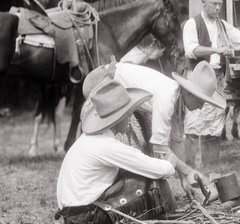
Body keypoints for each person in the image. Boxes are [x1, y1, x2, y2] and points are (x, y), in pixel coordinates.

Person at [56, 80, 210, 224]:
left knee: (134, 174)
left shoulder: (89, 140)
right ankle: (168, 212)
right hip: (87, 217)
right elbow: (164, 169)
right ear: (118, 117)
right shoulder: (107, 145)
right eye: (127, 113)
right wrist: (165, 162)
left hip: (73, 215)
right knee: (150, 179)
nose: (130, 118)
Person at [82, 57, 227, 169]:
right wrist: (185, 171)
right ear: (189, 93)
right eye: (200, 102)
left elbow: (177, 139)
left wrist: (186, 174)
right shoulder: (167, 98)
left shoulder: (177, 98)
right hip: (102, 81)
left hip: (123, 91)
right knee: (116, 140)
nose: (200, 108)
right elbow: (159, 147)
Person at [182, 0, 240, 161]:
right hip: (197, 78)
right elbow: (191, 50)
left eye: (219, 4)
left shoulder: (222, 25)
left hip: (216, 79)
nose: (217, 7)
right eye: (213, 4)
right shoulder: (192, 24)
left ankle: (210, 170)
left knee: (214, 124)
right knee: (193, 124)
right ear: (203, 2)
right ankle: (189, 171)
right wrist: (217, 50)